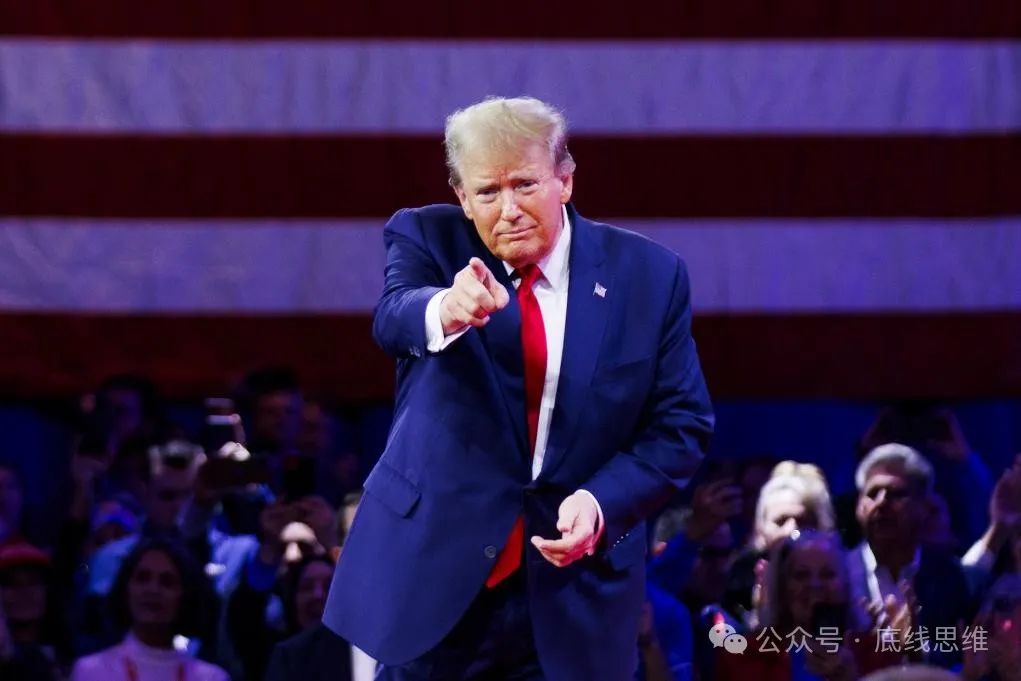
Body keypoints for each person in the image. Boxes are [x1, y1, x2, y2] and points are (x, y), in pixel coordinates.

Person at [322, 96, 714, 680]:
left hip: (573, 595)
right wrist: (445, 308)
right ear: (462, 198)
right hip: (436, 585)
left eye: (525, 185)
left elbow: (680, 426)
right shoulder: (429, 239)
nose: (509, 210)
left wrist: (601, 501)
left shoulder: (648, 276)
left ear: (565, 180)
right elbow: (394, 316)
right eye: (488, 192)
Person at [70, 538, 228, 681]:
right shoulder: (90, 672)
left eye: (167, 582)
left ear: (185, 595)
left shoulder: (211, 677)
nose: (153, 590)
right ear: (125, 589)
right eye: (143, 578)